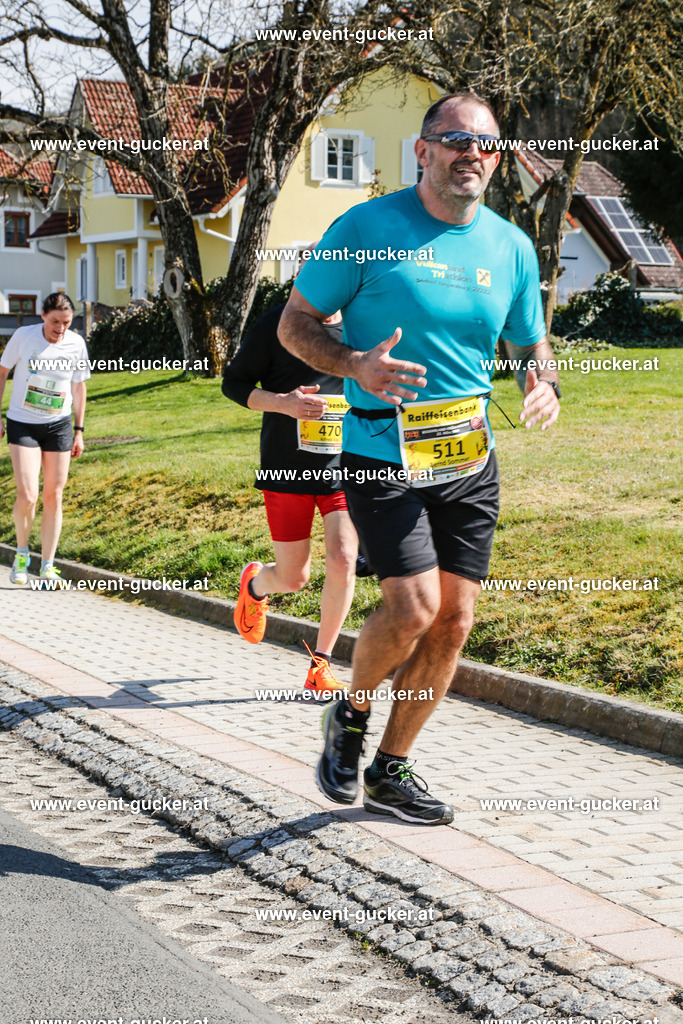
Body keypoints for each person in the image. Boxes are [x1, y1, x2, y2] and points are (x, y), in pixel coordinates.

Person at [278, 93, 561, 825]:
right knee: (411, 608)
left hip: (467, 457)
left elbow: (531, 339)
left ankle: (392, 769)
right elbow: (294, 324)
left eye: (486, 145)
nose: (472, 153)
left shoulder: (511, 248)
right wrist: (351, 365)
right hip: (380, 450)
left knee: (454, 620)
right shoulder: (366, 227)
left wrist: (543, 377)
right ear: (422, 150)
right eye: (455, 140)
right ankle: (349, 714)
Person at [222, 300, 358, 697]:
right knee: (294, 577)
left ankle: (321, 666)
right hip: (287, 469)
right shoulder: (278, 325)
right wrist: (283, 404)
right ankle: (257, 585)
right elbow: (234, 384)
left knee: (344, 556)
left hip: (343, 468)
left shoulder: (361, 324)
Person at [0, 292, 89, 587]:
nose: (60, 329)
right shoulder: (24, 337)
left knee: (54, 496)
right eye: (55, 322)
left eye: (66, 323)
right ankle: (22, 555)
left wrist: (79, 430)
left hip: (59, 426)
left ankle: (48, 566)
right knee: (28, 495)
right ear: (42, 315)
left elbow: (79, 388)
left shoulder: (76, 344)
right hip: (22, 423)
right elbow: (2, 372)